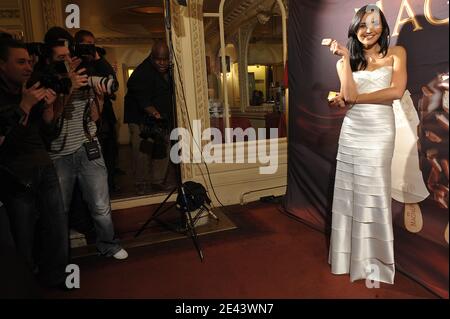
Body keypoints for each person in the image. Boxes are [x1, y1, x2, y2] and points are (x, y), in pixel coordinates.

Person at [327, 5, 407, 284]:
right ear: (354, 29)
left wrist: (353, 99)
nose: (367, 29)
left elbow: (396, 91)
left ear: (383, 28)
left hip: (380, 130)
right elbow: (346, 94)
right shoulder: (344, 62)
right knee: (350, 192)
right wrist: (347, 60)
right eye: (361, 25)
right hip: (352, 131)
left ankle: (375, 262)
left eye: (374, 23)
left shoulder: (397, 54)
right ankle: (350, 259)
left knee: (374, 191)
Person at [43, 31, 128, 260]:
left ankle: (108, 244)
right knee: (60, 209)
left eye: (69, 55)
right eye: (61, 58)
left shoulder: (85, 75)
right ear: (50, 59)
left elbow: (94, 119)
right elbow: (48, 122)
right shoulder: (47, 81)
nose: (68, 61)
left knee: (101, 204)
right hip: (60, 153)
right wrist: (67, 88)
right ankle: (58, 257)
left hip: (88, 146)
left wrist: (99, 97)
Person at [0, 36, 68, 287]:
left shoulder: (31, 88)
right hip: (16, 174)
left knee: (57, 228)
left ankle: (57, 278)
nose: (28, 67)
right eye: (20, 62)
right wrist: (23, 106)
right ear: (2, 65)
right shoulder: (13, 97)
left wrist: (50, 108)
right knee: (23, 236)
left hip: (43, 165)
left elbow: (48, 134)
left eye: (29, 61)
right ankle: (25, 285)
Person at [124, 41, 173, 195]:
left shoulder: (169, 70)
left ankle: (158, 181)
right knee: (143, 150)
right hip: (140, 118)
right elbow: (142, 98)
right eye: (159, 59)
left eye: (165, 59)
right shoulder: (142, 72)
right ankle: (141, 183)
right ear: (152, 57)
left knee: (164, 147)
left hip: (161, 116)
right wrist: (155, 114)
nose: (162, 63)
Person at [74, 30, 120, 193]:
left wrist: (98, 57)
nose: (90, 48)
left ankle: (110, 185)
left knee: (110, 152)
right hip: (84, 122)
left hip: (104, 115)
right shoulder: (74, 65)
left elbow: (112, 80)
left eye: (92, 44)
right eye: (87, 45)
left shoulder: (96, 63)